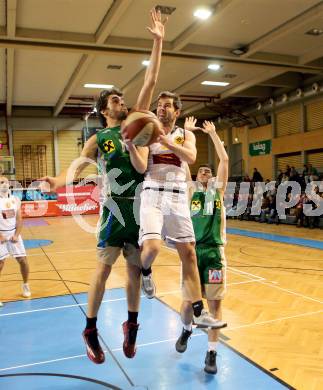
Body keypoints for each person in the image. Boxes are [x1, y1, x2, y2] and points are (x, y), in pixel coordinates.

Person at [41, 8, 167, 363]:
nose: (122, 102)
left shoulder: (137, 123)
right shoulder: (100, 138)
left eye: (121, 99)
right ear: (103, 109)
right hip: (114, 208)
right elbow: (79, 167)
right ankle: (91, 329)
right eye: (114, 100)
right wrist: (58, 181)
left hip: (140, 206)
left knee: (132, 272)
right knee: (103, 269)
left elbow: (151, 80)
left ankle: (131, 326)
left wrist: (157, 42)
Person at [139, 92, 226, 329]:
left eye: (167, 106)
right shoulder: (147, 133)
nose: (161, 109)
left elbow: (190, 156)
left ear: (177, 112)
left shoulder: (185, 134)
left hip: (177, 196)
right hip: (153, 191)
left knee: (189, 253)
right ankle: (144, 271)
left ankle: (198, 311)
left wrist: (166, 142)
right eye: (159, 105)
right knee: (153, 247)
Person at [174, 119, 228, 375]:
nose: (206, 172)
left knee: (216, 305)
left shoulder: (217, 192)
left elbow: (225, 161)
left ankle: (212, 353)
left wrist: (214, 134)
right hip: (193, 255)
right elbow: (183, 160)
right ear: (196, 176)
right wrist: (186, 133)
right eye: (202, 171)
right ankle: (186, 331)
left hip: (215, 254)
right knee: (187, 305)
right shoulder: (189, 190)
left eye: (209, 171)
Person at [0, 176, 31, 306]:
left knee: (23, 260)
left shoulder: (15, 199)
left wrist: (17, 234)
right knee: (0, 265)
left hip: (13, 234)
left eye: (5, 182)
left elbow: (19, 219)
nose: (3, 184)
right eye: (1, 183)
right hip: (0, 235)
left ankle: (25, 285)